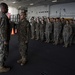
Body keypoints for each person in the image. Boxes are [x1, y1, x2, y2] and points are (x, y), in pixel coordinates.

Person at [0, 3, 10, 72]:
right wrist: (5, 40)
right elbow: (3, 29)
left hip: (0, 38)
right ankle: (1, 67)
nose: (8, 9)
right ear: (3, 8)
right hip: (3, 39)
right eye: (7, 8)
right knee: (3, 52)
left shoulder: (0, 16)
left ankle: (1, 65)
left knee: (1, 51)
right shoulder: (3, 17)